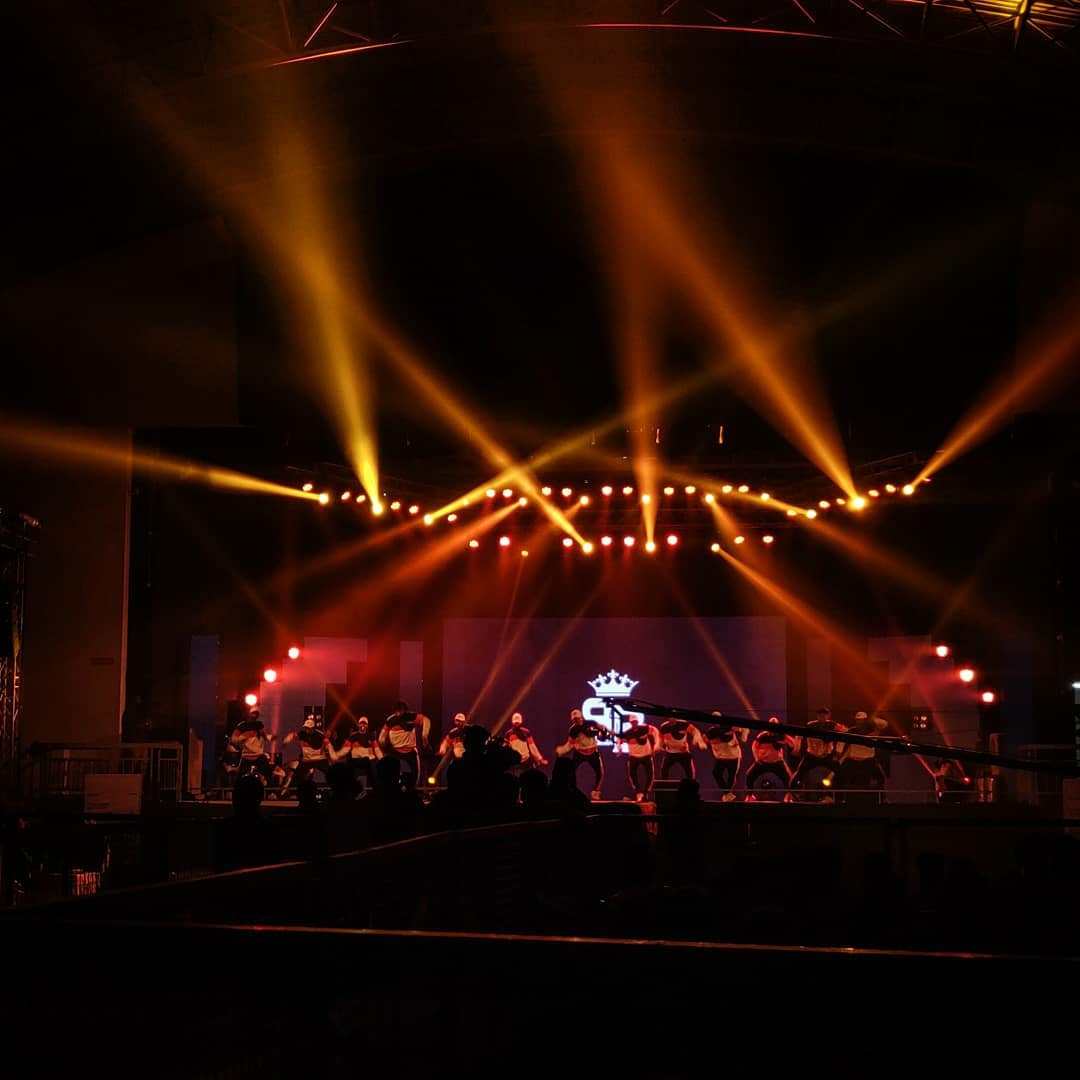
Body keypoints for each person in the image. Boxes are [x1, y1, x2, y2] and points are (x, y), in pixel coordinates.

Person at [554, 708, 612, 801]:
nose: (577, 720)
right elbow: (570, 744)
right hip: (580, 753)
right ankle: (570, 790)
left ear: (581, 717)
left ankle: (596, 792)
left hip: (593, 752)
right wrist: (562, 751)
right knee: (570, 771)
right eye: (574, 719)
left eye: (578, 718)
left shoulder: (591, 723)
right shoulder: (573, 730)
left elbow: (601, 729)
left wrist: (607, 732)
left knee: (600, 772)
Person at [834, 710, 888, 804]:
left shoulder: (873, 731)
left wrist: (875, 724)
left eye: (862, 720)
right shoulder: (851, 731)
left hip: (868, 760)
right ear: (855, 720)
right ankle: (839, 799)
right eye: (858, 720)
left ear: (865, 720)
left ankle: (883, 799)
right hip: (853, 759)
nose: (860, 722)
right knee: (839, 776)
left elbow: (883, 724)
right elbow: (842, 740)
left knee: (881, 778)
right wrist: (838, 753)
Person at [789, 707, 840, 802]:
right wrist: (797, 748)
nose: (822, 717)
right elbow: (799, 734)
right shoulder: (810, 725)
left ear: (828, 716)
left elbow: (845, 732)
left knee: (839, 771)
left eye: (824, 715)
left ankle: (838, 796)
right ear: (817, 716)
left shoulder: (832, 725)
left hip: (826, 756)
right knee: (799, 772)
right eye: (820, 715)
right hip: (812, 756)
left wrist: (837, 752)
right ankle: (793, 793)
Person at [379, 701, 431, 788]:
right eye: (397, 710)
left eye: (401, 710)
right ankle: (393, 789)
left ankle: (413, 790)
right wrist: (382, 741)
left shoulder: (411, 716)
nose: (399, 712)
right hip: (395, 751)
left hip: (410, 750)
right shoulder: (391, 719)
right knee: (391, 772)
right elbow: (383, 733)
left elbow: (426, 720)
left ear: (405, 710)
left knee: (416, 774)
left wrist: (424, 736)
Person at [279, 715, 331, 798]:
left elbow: (327, 745)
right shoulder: (303, 734)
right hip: (307, 760)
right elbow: (292, 735)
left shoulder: (320, 735)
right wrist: (285, 741)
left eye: (308, 728)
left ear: (313, 728)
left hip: (319, 759)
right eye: (305, 728)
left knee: (330, 773)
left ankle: (337, 790)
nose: (306, 730)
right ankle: (292, 793)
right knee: (297, 775)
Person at [745, 717, 794, 801]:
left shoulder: (781, 735)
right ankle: (750, 796)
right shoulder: (763, 735)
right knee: (749, 775)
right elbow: (754, 746)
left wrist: (786, 740)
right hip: (763, 762)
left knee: (788, 778)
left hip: (776, 762)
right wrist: (757, 759)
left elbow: (792, 744)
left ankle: (788, 796)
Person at [706, 713, 748, 802]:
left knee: (731, 776)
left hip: (733, 756)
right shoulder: (711, 731)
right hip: (721, 758)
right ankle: (727, 793)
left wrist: (743, 734)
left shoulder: (728, 726)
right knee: (716, 773)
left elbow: (742, 728)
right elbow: (707, 739)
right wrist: (701, 742)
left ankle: (727, 794)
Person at [618, 717, 661, 802]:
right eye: (632, 722)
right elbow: (619, 740)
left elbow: (655, 731)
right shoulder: (628, 733)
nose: (634, 724)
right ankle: (638, 792)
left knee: (650, 774)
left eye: (635, 722)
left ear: (638, 722)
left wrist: (657, 746)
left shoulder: (645, 728)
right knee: (632, 774)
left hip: (646, 755)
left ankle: (646, 792)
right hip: (633, 756)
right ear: (630, 723)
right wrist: (619, 749)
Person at [229, 711, 277, 786]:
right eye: (252, 714)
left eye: (255, 714)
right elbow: (233, 739)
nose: (254, 716)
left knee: (268, 774)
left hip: (259, 755)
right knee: (239, 777)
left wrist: (271, 737)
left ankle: (271, 791)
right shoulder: (242, 725)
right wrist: (244, 736)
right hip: (247, 756)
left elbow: (265, 736)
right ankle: (236, 790)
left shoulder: (259, 725)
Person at [345, 716, 381, 792]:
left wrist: (382, 760)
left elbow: (377, 750)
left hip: (369, 761)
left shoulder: (371, 736)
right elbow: (346, 749)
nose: (363, 725)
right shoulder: (353, 736)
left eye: (365, 724)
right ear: (358, 725)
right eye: (361, 723)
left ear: (367, 725)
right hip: (357, 761)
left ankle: (376, 791)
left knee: (374, 773)